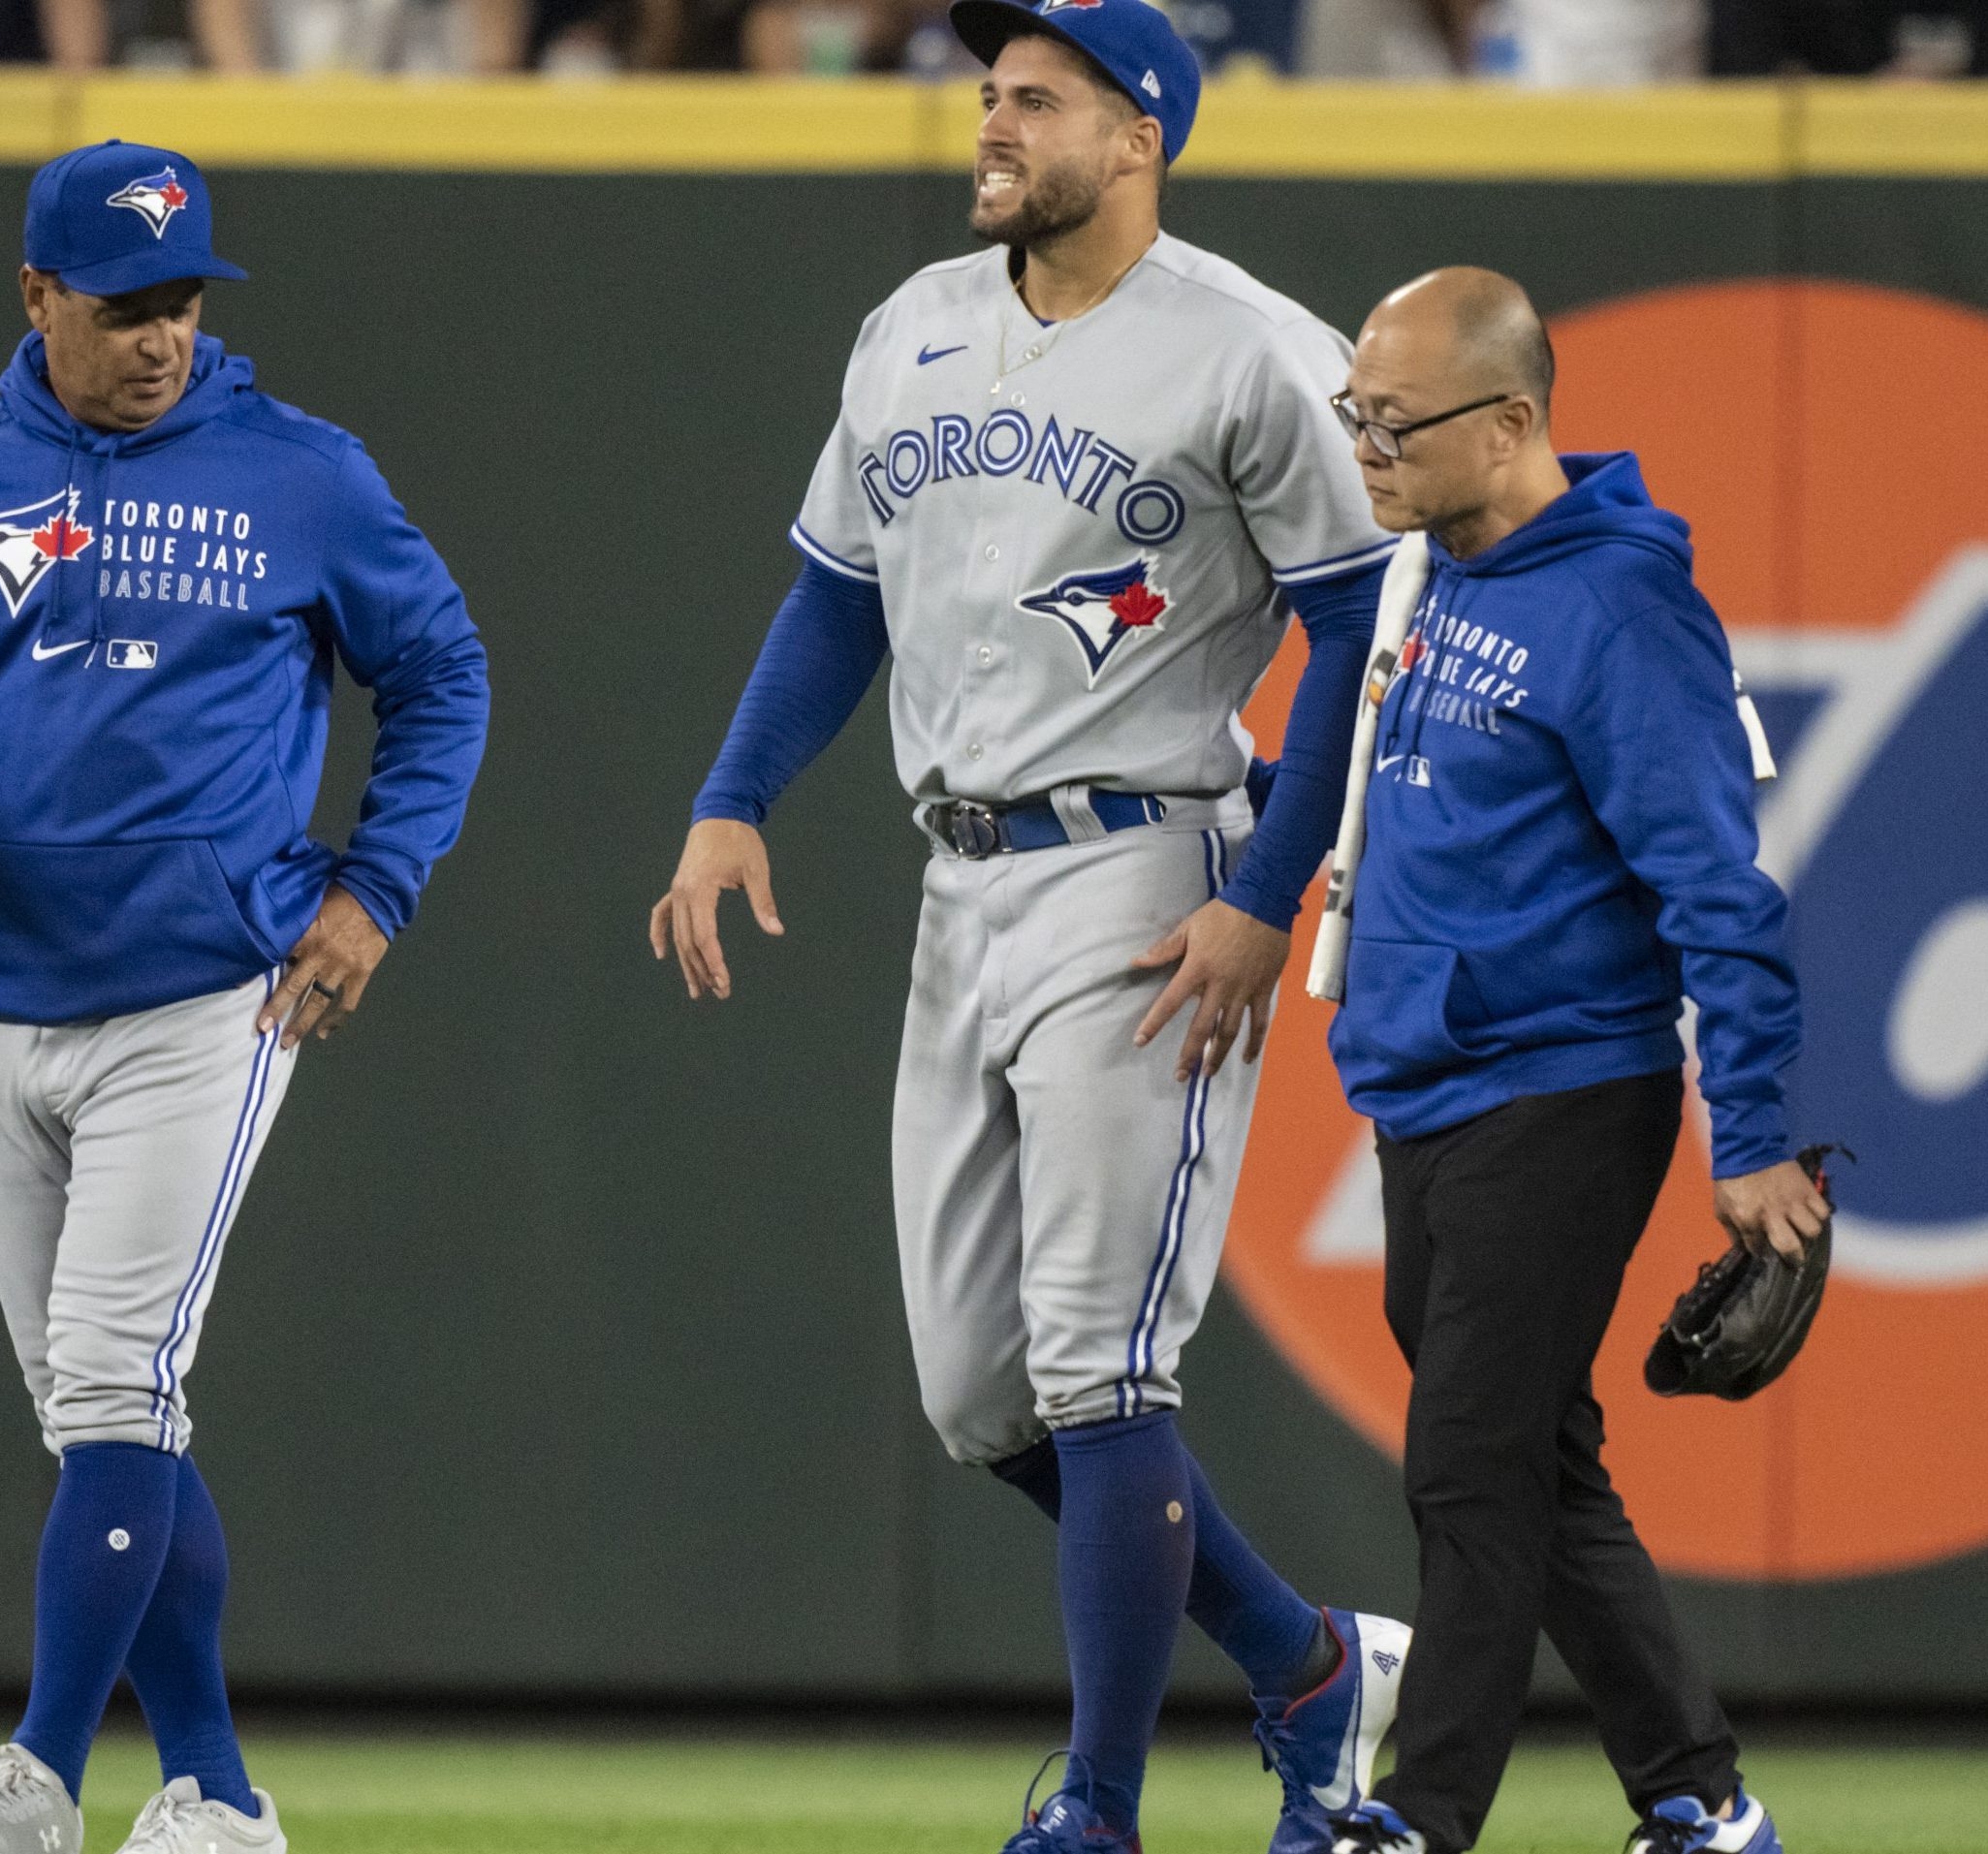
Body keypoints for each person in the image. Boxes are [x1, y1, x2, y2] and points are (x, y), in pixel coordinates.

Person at [650, 4, 1411, 1848]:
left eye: (1038, 97)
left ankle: (1100, 1805)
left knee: (1099, 1364)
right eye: (990, 90)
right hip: (960, 873)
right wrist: (731, 795)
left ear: (1139, 135)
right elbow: (835, 590)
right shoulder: (910, 322)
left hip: (1148, 871)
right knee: (980, 1395)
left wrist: (1265, 892)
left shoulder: (1250, 351)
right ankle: (1311, 1670)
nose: (994, 118)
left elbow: (1357, 630)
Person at [0, 140, 489, 1854]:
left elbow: (441, 670)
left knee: (108, 1387)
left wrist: (374, 889)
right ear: (36, 296)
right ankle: (221, 1795)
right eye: (122, 304)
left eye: (180, 303)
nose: (159, 336)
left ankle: (37, 1777)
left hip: (210, 994)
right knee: (105, 1411)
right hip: (2, 997)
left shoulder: (299, 473)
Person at [1315, 268, 1820, 1854]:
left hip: (1564, 1086)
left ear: (1514, 420)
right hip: (1428, 1094)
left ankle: (1419, 1817)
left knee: (1468, 1463)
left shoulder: (1621, 607)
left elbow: (1720, 891)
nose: (1367, 450)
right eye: (1356, 415)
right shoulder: (1435, 571)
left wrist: (1752, 1128)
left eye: (1395, 423)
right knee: (1538, 1459)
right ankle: (1703, 1796)